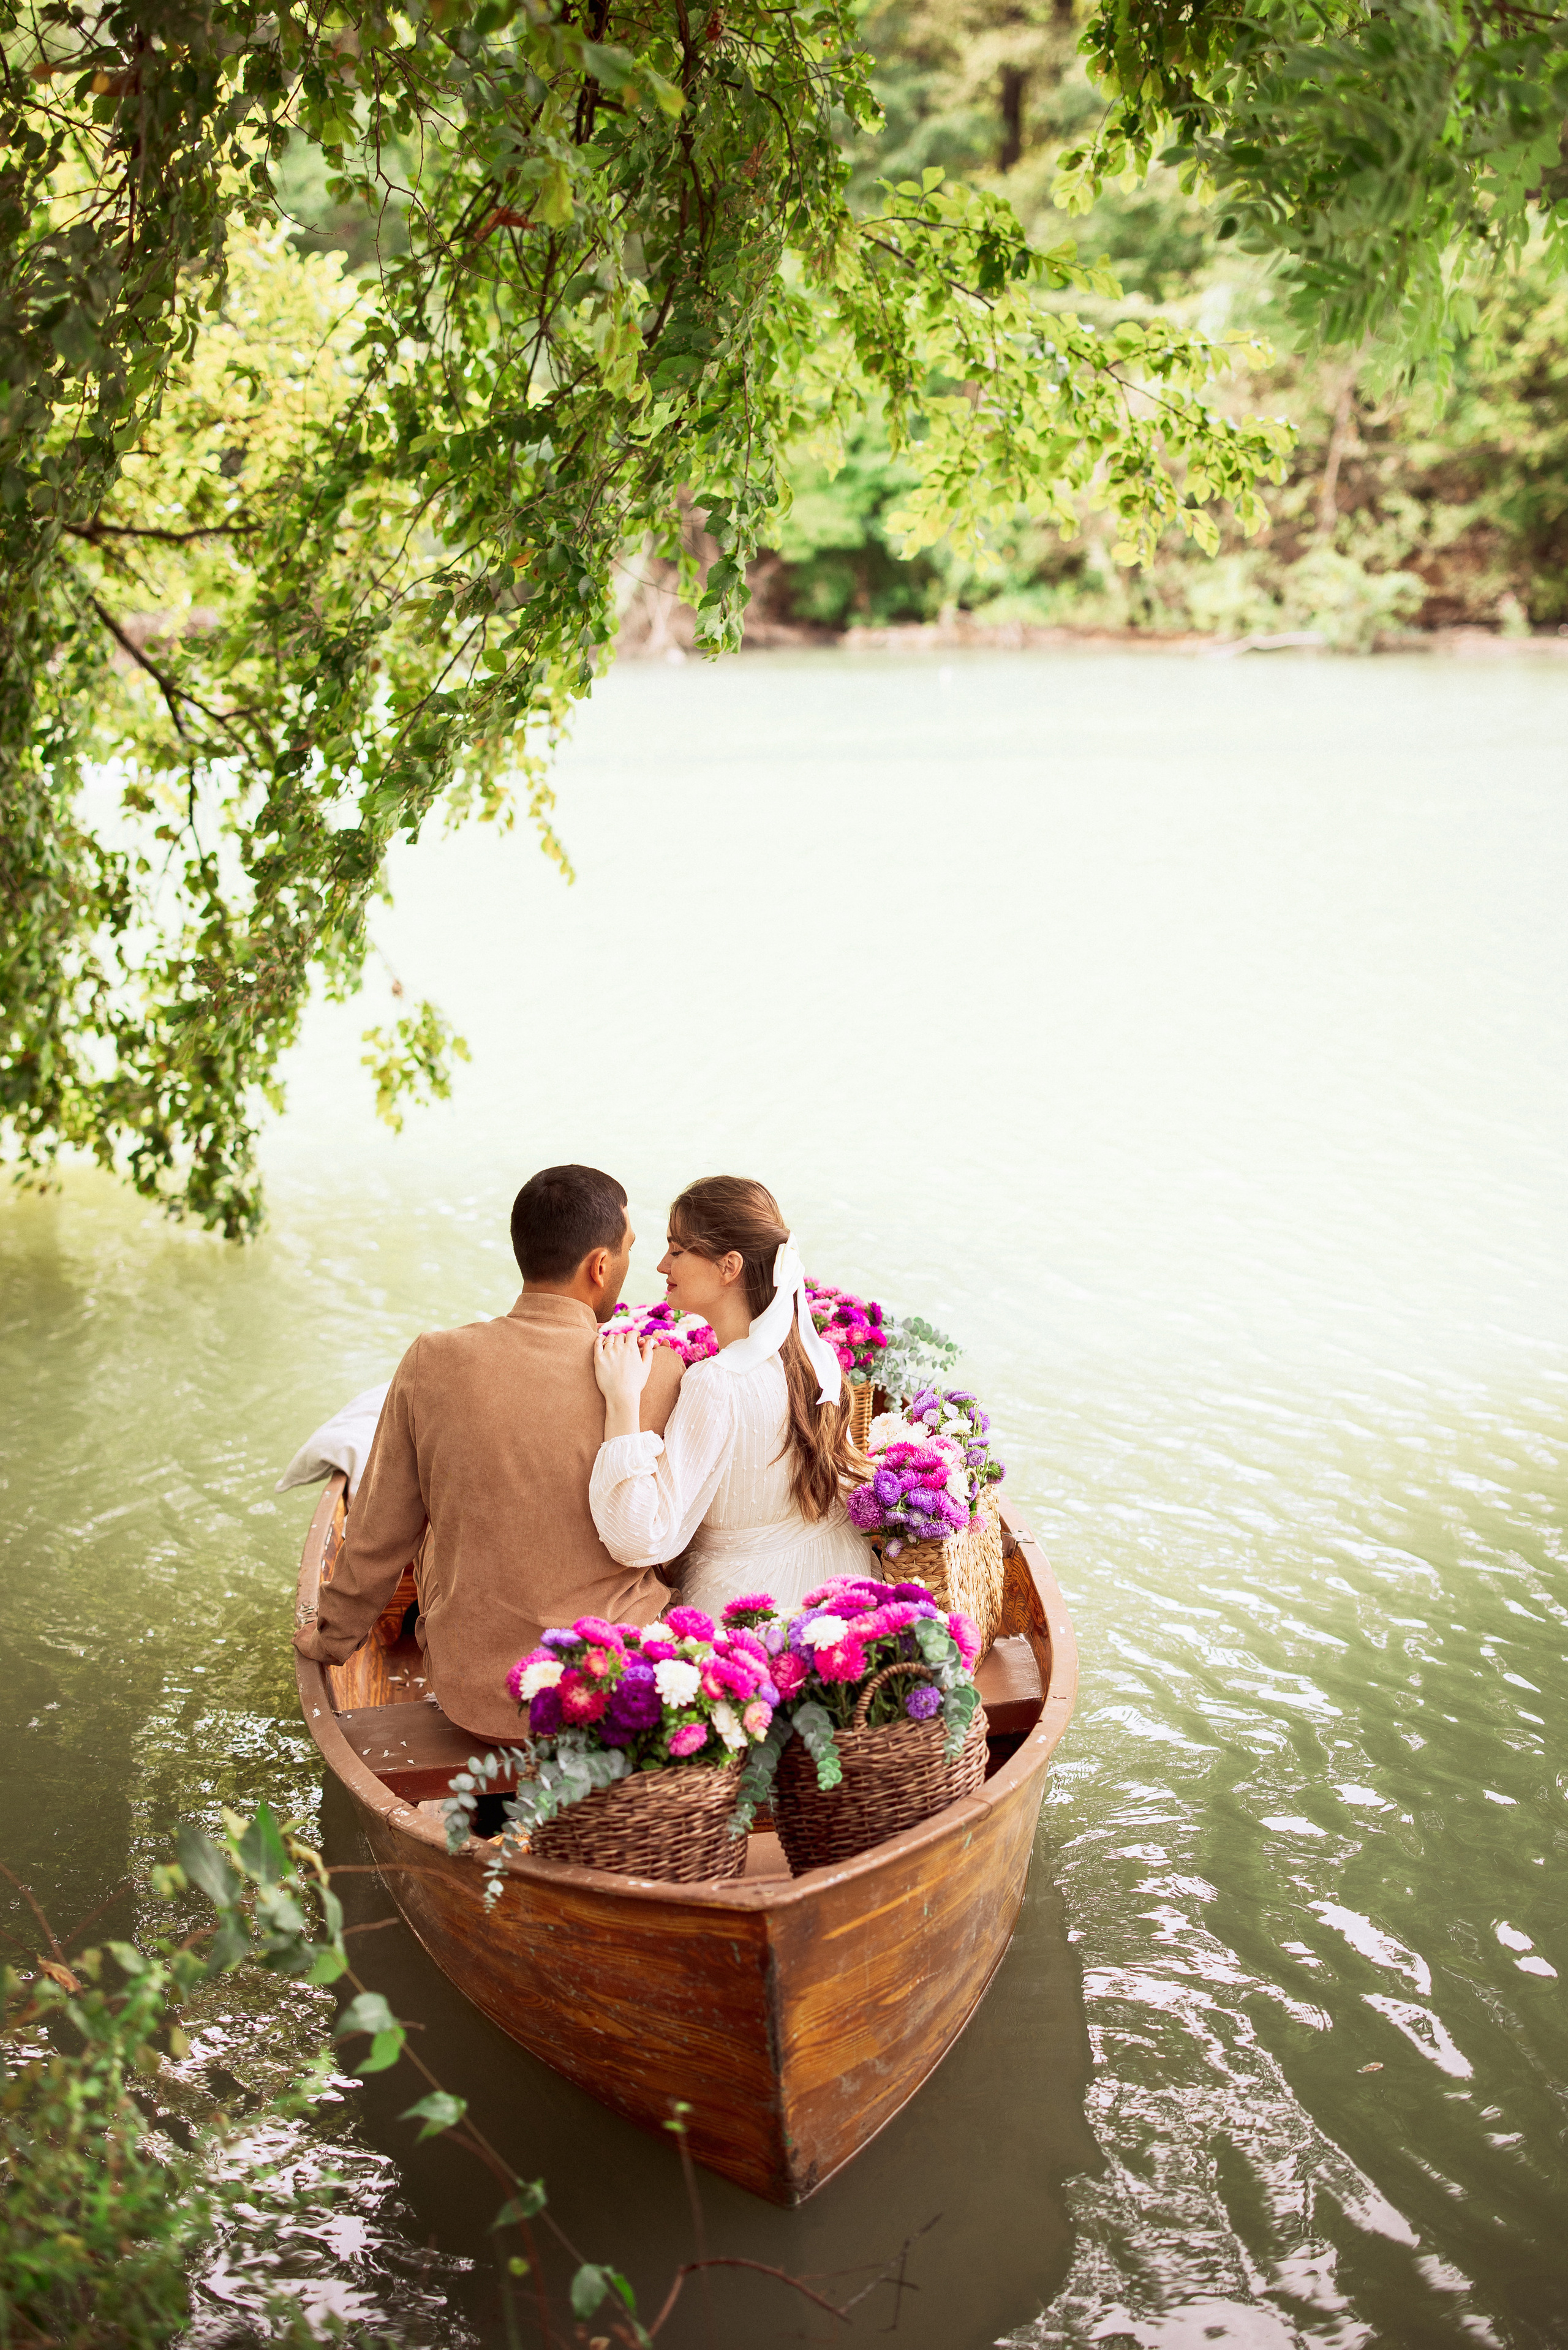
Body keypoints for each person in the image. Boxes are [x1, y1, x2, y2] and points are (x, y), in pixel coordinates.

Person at [293, 1164, 682, 1738]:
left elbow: (379, 1529)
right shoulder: (660, 1370)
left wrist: (332, 1637)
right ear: (600, 1267)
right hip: (612, 1688)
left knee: (432, 1521)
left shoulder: (433, 1360)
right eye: (627, 1250)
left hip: (475, 1697)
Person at [589, 1176, 869, 1618]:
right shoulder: (813, 1359)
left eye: (677, 1250)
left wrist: (622, 1401)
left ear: (728, 1266)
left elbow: (640, 1536)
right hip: (837, 1586)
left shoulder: (716, 1382)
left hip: (750, 1609)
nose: (663, 1265)